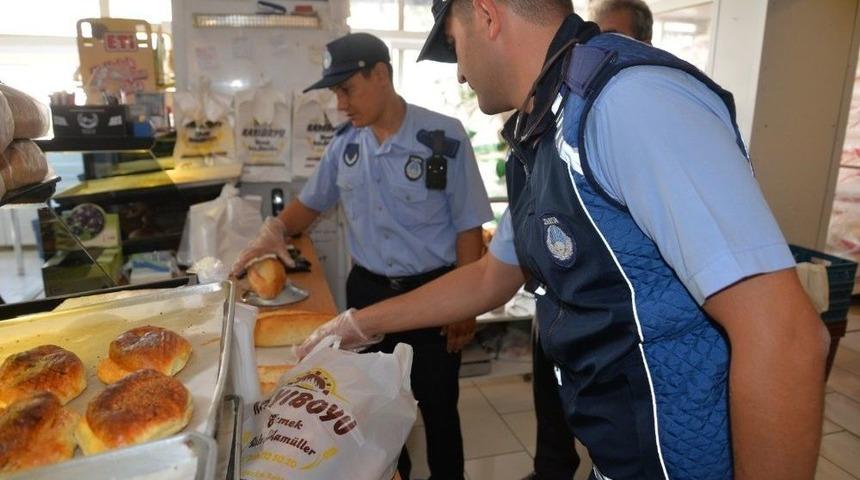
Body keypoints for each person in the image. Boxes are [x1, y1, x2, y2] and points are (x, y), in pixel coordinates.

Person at [299, 2, 829, 479]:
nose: (459, 73)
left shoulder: (629, 101)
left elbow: (785, 338)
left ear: (487, 15)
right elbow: (490, 278)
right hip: (621, 448)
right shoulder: (544, 130)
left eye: (455, 47)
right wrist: (359, 323)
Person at [233, 32, 493, 480]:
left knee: (438, 410)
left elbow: (468, 226)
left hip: (433, 297)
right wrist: (273, 231)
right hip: (367, 296)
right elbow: (309, 205)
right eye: (336, 93)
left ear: (381, 75)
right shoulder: (345, 145)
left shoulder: (442, 137)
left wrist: (465, 307)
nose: (341, 104)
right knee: (378, 410)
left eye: (347, 90)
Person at [521, 4, 658, 479]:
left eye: (609, 36)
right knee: (555, 422)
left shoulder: (645, 117)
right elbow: (500, 266)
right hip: (560, 313)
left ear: (641, 44)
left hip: (627, 350)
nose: (592, 49)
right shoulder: (550, 128)